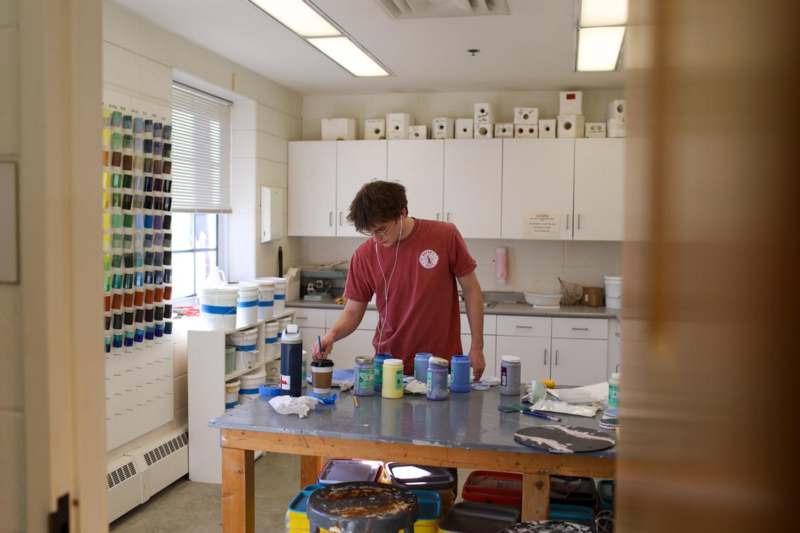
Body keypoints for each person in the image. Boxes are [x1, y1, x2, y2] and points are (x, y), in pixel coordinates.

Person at [312, 180, 486, 380]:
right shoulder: (364, 255)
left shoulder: (445, 236)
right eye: (371, 232)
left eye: (382, 229)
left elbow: (472, 291)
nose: (377, 238)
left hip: (440, 364)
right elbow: (352, 310)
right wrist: (332, 335)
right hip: (390, 366)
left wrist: (477, 347)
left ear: (402, 213)